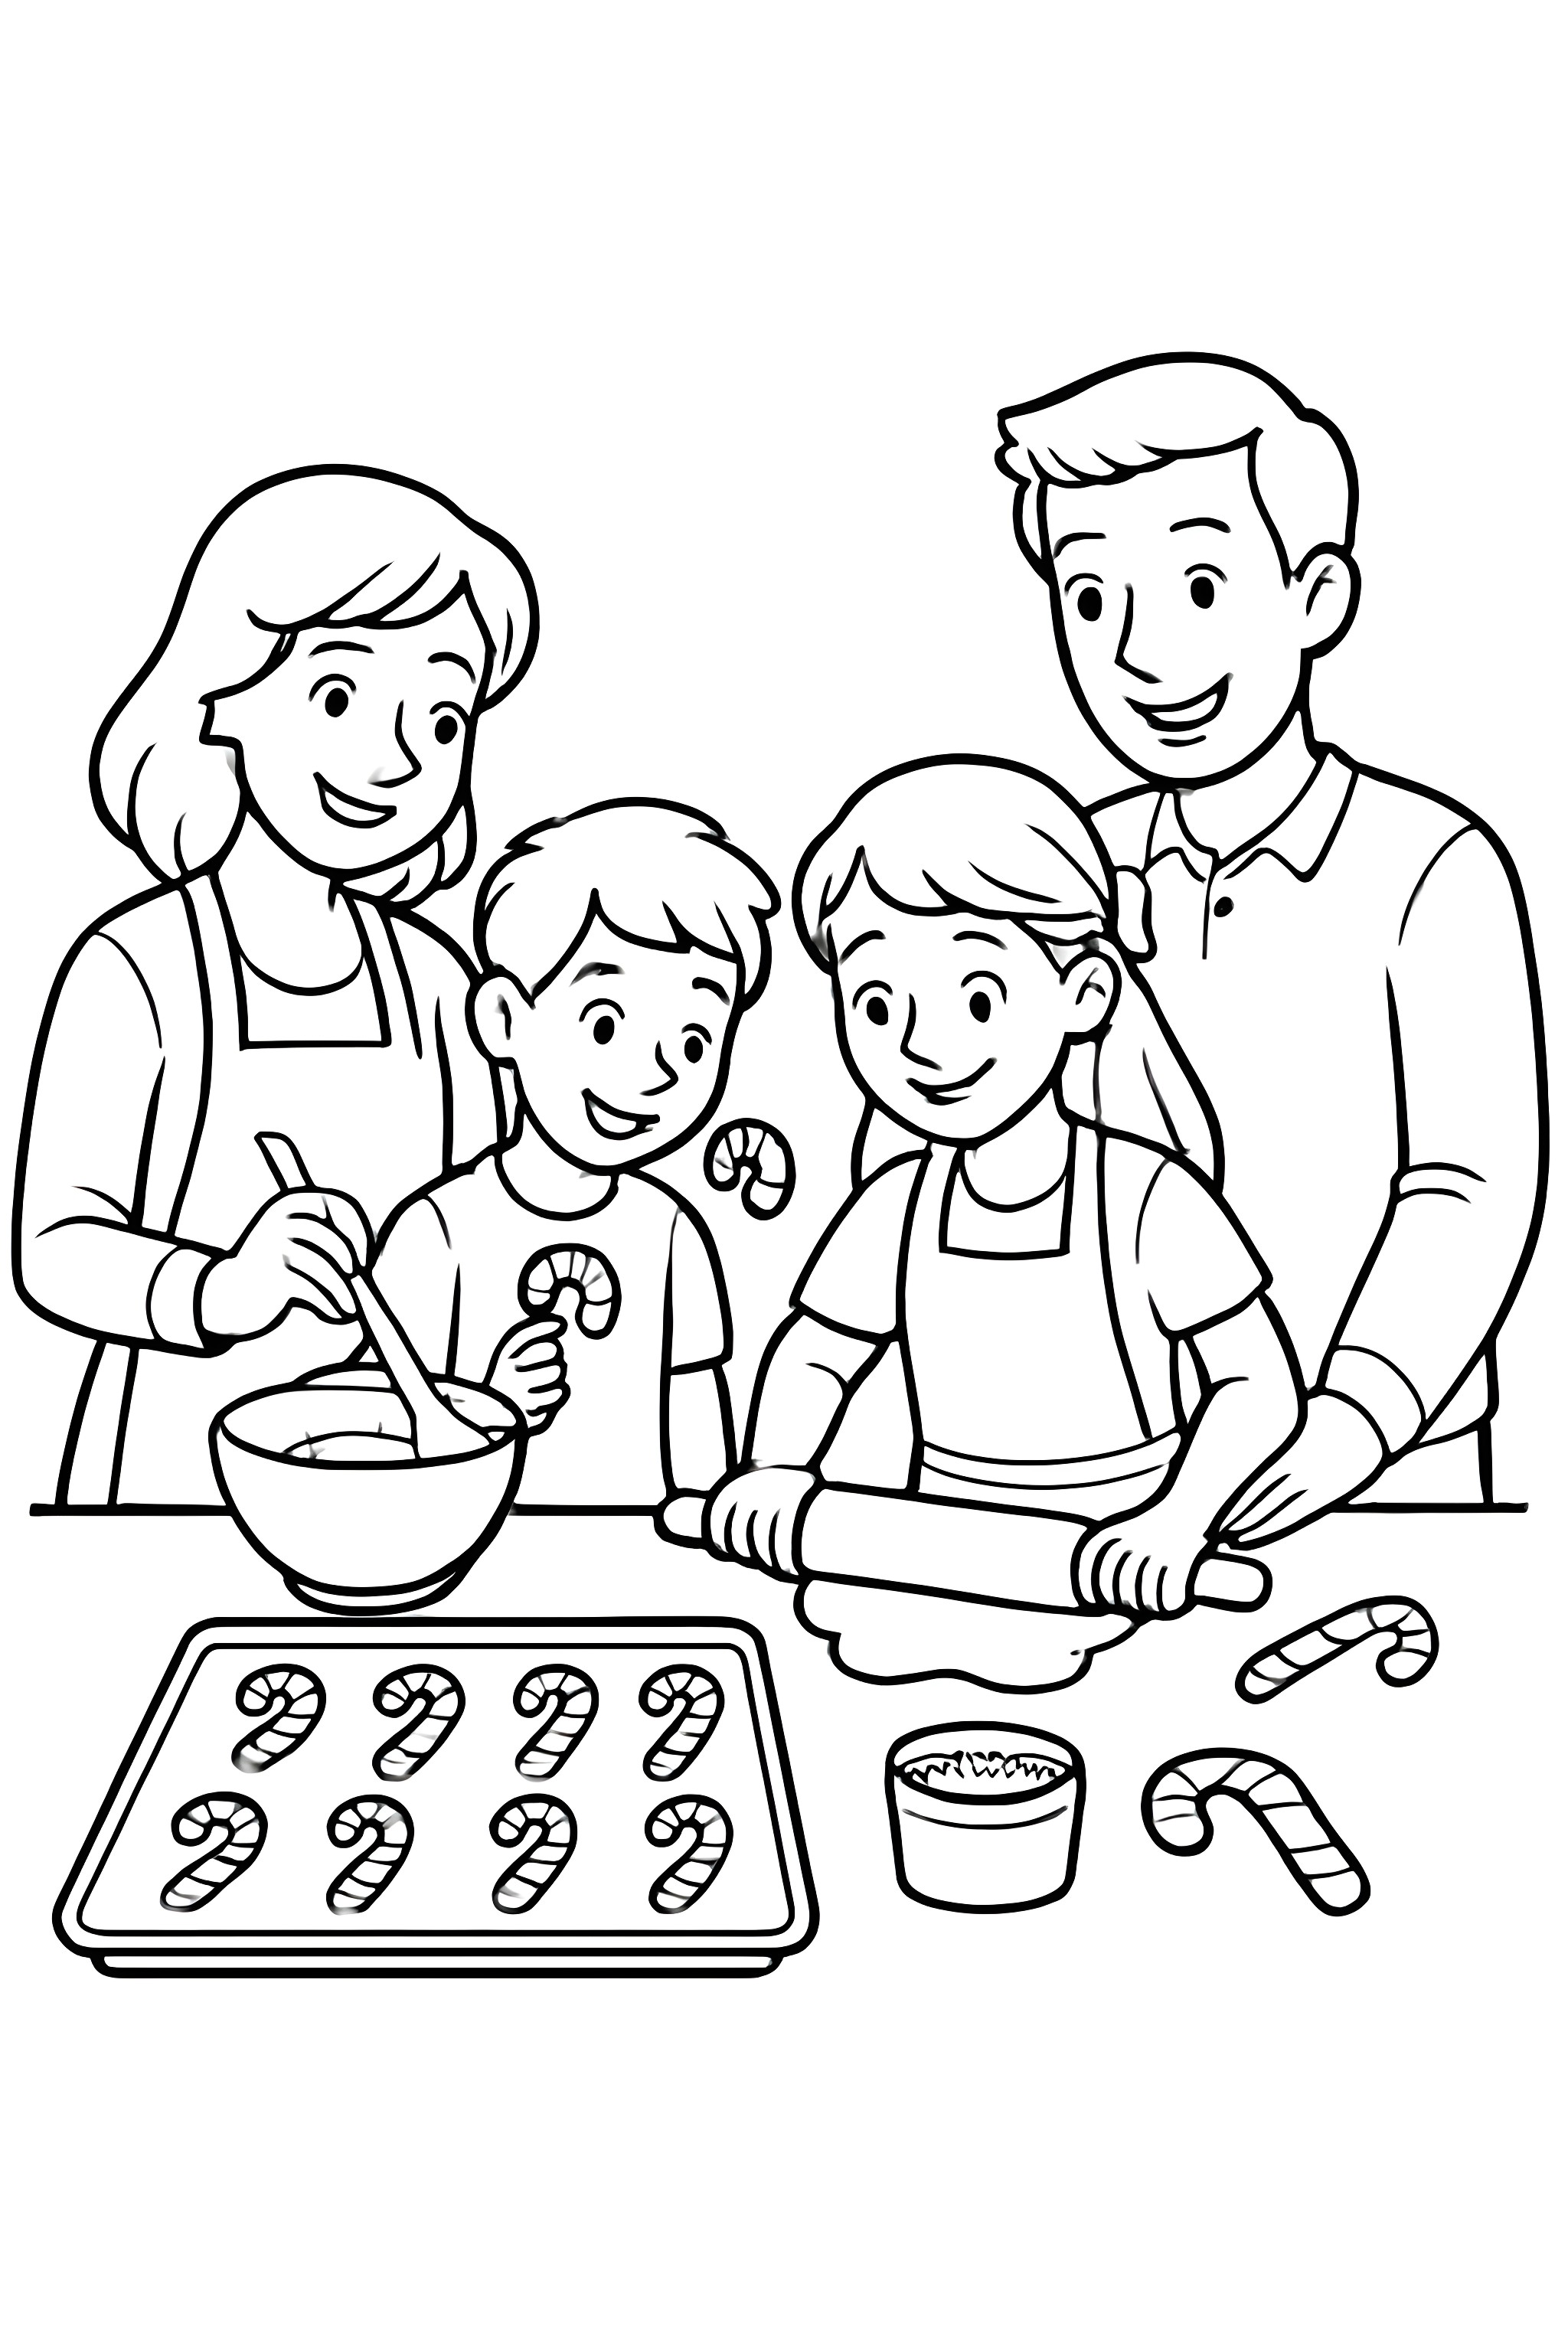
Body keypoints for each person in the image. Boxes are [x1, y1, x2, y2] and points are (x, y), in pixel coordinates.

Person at [995, 354, 1545, 1530]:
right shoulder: (1063, 866)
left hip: (1386, 1474)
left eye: (1200, 588)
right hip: (1114, 1464)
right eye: (1089, 599)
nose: (1141, 654)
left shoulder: (1432, 869)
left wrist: (1356, 1415)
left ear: (1315, 597)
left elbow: (1471, 1183)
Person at [15, 466, 538, 1504]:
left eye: (444, 720)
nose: (397, 760)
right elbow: (54, 1250)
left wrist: (501, 1361)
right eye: (339, 697)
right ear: (221, 697)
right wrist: (219, 1289)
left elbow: (489, 1220)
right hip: (168, 1475)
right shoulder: (135, 971)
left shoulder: (438, 982)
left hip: (400, 1467)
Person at [700, 758, 1301, 1615]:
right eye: (877, 1006)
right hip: (939, 1556)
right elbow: (816, 1353)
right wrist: (777, 1468)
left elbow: (1256, 1386)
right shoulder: (895, 1207)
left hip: (1116, 1561)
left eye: (978, 999)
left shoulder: (1149, 1203)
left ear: (1082, 993)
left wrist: (1175, 1522)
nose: (921, 1046)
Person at [370, 799, 778, 1508]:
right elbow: (383, 1420)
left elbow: (695, 1410)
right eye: (604, 1026)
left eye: (693, 1041)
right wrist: (483, 1400)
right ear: (504, 1019)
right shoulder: (438, 1233)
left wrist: (707, 1528)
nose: (655, 1073)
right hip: (467, 1541)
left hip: (639, 1550)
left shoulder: (671, 1233)